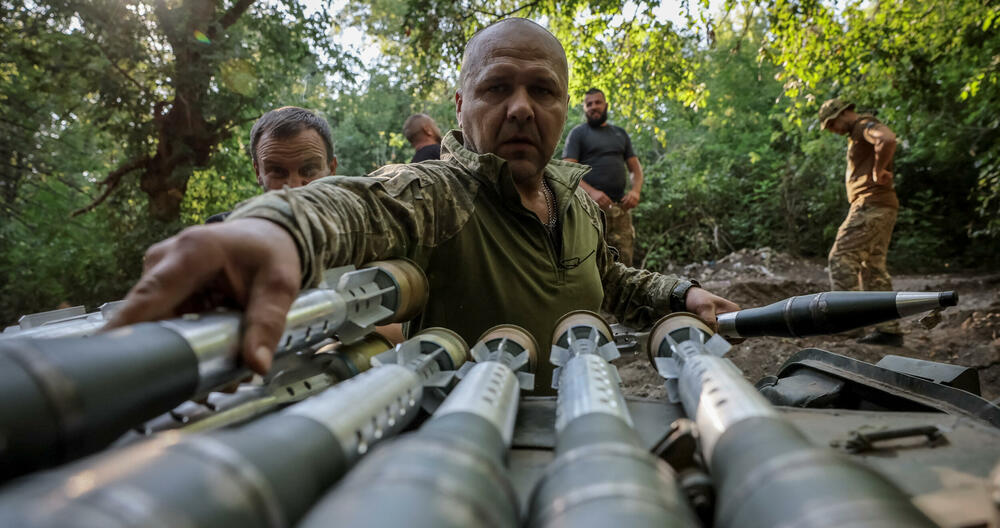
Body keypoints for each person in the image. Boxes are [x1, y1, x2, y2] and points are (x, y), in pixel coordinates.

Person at [109, 18, 737, 392]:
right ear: (461, 106)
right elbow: (361, 205)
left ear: (564, 109)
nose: (520, 107)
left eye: (542, 90)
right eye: (496, 87)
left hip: (587, 428)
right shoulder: (440, 193)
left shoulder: (576, 201)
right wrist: (278, 229)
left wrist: (680, 296)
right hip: (458, 448)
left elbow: (608, 281)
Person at [818, 98, 902, 346]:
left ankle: (848, 325)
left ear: (843, 113)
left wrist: (878, 170)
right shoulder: (857, 133)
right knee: (872, 266)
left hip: (870, 204)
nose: (832, 130)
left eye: (832, 124)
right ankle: (889, 330)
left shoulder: (864, 125)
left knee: (840, 257)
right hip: (881, 205)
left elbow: (886, 139)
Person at [204, 106, 338, 223]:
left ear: (331, 169)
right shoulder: (225, 231)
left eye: (309, 170)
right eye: (277, 171)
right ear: (258, 173)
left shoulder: (357, 231)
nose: (294, 187)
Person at [562, 88, 643, 267]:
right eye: (589, 104)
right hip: (588, 210)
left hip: (620, 210)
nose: (593, 107)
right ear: (584, 108)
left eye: (597, 102)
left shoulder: (620, 134)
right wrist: (592, 193)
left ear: (606, 105)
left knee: (625, 264)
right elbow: (568, 170)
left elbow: (635, 169)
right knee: (591, 265)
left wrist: (635, 191)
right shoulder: (578, 134)